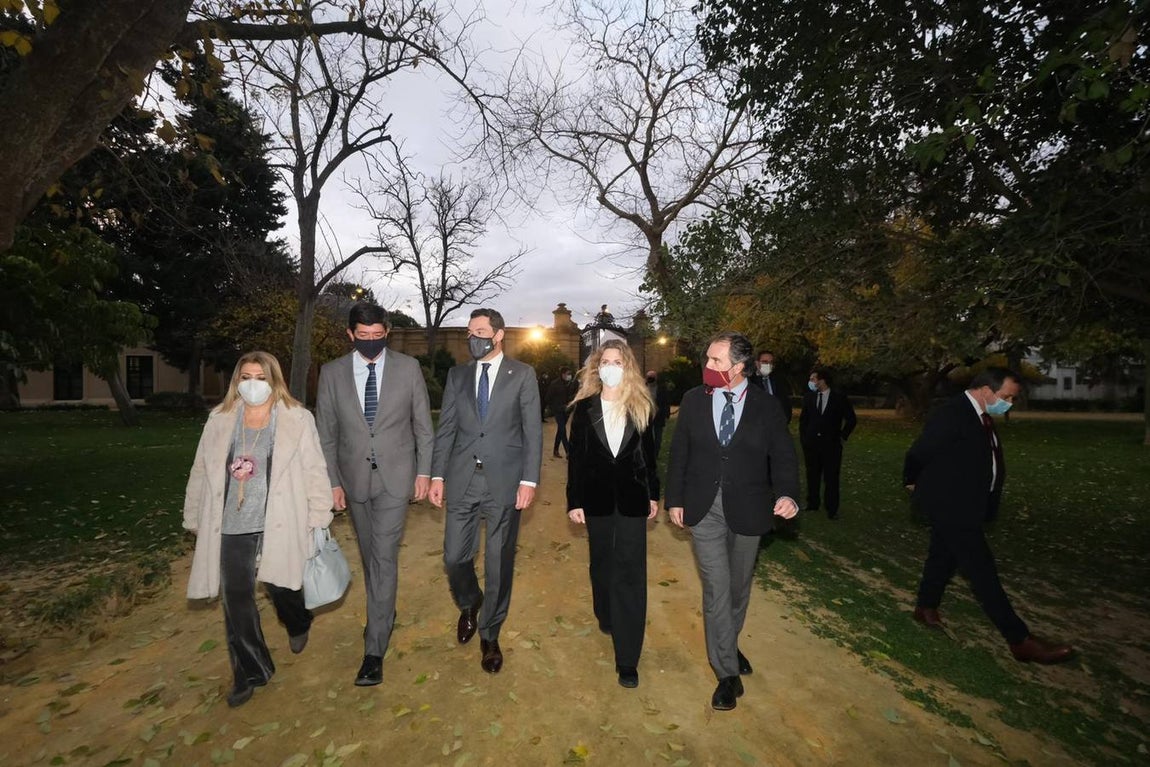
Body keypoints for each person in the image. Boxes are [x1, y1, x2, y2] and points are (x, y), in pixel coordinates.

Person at [183, 351, 334, 708]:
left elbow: (315, 467)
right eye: (246, 377)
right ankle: (250, 670)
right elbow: (201, 470)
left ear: (274, 380)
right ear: (237, 381)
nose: (253, 384)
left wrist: (318, 515)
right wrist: (193, 515)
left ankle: (297, 621)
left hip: (279, 519)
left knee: (282, 586)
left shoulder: (297, 419)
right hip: (232, 523)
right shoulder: (219, 420)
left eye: (260, 377)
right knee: (236, 599)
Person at [666, 331, 800, 711]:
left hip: (750, 507)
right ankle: (726, 672)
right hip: (703, 506)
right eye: (707, 359)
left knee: (739, 588)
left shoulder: (766, 406)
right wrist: (674, 499)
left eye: (716, 361)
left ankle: (728, 641)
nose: (707, 367)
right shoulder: (693, 400)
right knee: (717, 587)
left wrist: (787, 495)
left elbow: (784, 457)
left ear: (739, 368)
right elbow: (680, 454)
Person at [904, 367, 1074, 664]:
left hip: (968, 505)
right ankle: (1020, 640)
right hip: (951, 505)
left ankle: (925, 607)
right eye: (1006, 396)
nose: (1008, 402)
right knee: (982, 572)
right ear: (986, 390)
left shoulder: (982, 416)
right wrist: (912, 481)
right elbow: (920, 451)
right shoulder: (952, 413)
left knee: (942, 556)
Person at [315, 302, 434, 687]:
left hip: (396, 478)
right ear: (351, 335)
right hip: (353, 480)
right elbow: (326, 434)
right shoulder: (331, 374)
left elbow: (423, 427)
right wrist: (332, 482)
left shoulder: (408, 368)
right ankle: (384, 608)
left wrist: (424, 471)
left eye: (378, 336)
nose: (371, 343)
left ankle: (373, 649)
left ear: (387, 332)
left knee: (383, 555)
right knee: (370, 557)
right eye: (363, 337)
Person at [428, 308, 543, 674]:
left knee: (497, 563)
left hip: (505, 483)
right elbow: (446, 429)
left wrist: (529, 481)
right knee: (453, 557)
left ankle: (490, 633)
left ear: (498, 335)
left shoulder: (522, 375)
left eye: (480, 331)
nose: (472, 337)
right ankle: (469, 600)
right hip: (463, 479)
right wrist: (436, 476)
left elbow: (533, 431)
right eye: (469, 331)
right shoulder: (457, 375)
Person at [567, 341, 660, 689]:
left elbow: (650, 457)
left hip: (634, 501)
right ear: (596, 367)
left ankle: (627, 658)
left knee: (631, 575)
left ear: (628, 366)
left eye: (617, 361)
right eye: (605, 361)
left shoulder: (643, 406)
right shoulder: (585, 408)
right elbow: (576, 460)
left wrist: (654, 495)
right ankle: (605, 612)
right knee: (602, 565)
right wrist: (574, 501)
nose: (610, 366)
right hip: (597, 501)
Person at [798, 367, 857, 519]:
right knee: (812, 474)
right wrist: (804, 438)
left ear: (822, 380)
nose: (811, 382)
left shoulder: (839, 398)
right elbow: (804, 420)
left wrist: (842, 436)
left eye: (813, 379)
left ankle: (832, 508)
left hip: (831, 445)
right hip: (811, 444)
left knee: (831, 477)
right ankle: (812, 503)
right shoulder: (809, 398)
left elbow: (851, 419)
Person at [752, 350, 793, 424]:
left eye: (771, 362)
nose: (768, 365)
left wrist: (785, 420)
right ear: (757, 363)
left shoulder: (779, 380)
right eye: (764, 362)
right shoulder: (750, 381)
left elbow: (786, 403)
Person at [546, 366, 577, 458]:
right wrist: (554, 408)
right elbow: (548, 398)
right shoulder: (555, 384)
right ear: (562, 374)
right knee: (563, 430)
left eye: (570, 374)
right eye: (568, 374)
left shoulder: (571, 384)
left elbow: (573, 395)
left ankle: (555, 450)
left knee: (560, 430)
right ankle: (568, 451)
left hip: (567, 410)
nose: (569, 376)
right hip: (558, 410)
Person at [645, 369, 672, 456]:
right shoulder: (643, 388)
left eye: (652, 377)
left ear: (656, 378)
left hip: (658, 416)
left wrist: (666, 414)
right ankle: (647, 453)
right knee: (646, 436)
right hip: (646, 416)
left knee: (658, 436)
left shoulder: (661, 389)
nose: (650, 378)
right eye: (649, 377)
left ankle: (655, 453)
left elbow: (666, 402)